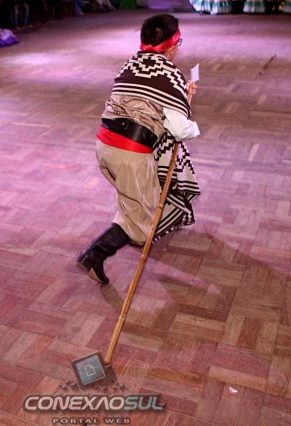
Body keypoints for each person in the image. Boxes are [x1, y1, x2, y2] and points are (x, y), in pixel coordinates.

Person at [77, 14, 201, 285]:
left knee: (133, 200)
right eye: (178, 42)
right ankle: (95, 253)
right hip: (131, 152)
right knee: (142, 225)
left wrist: (180, 96)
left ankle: (129, 224)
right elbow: (179, 130)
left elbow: (146, 98)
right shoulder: (170, 74)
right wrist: (193, 125)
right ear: (172, 46)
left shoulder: (130, 63)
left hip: (105, 145)